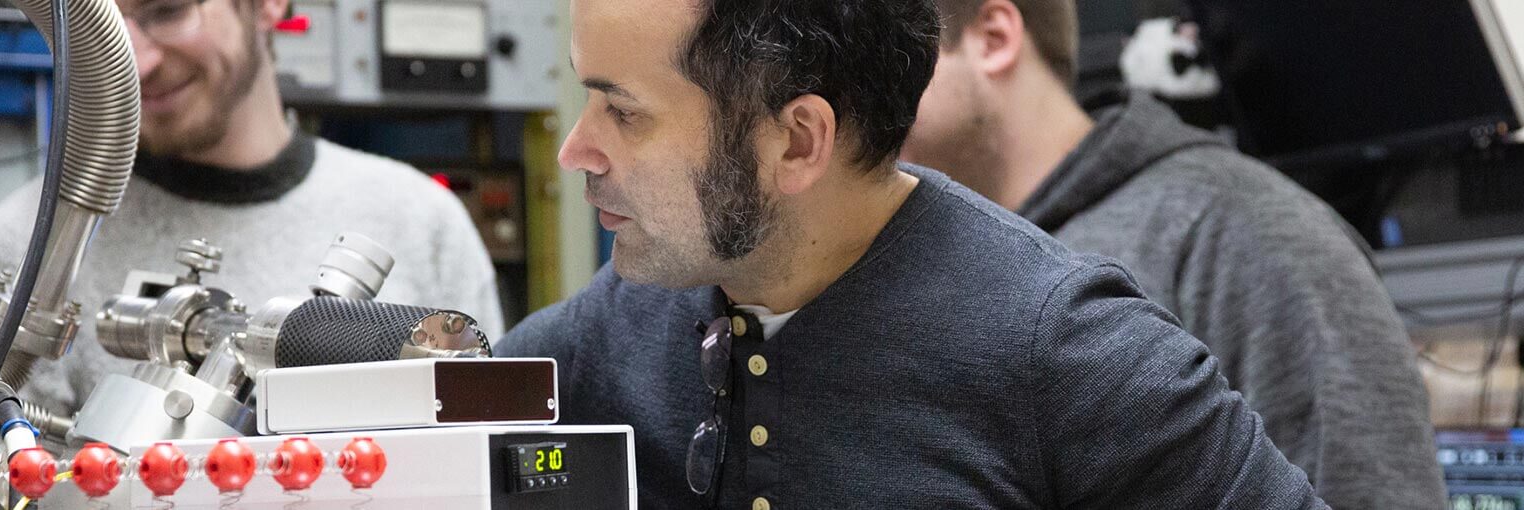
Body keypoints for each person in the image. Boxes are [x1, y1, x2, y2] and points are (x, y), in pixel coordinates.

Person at [495, 0, 1325, 507]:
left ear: (796, 141)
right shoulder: (607, 335)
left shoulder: (1072, 356)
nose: (576, 151)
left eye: (623, 111)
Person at [898, 1, 1445, 508]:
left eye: (897, 58)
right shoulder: (943, 265)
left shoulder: (1247, 231)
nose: (865, 101)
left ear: (994, 38)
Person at [0, 0, 502, 413]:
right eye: (103, 25)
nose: (134, 60)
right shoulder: (33, 241)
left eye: (167, 11)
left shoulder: (421, 219)